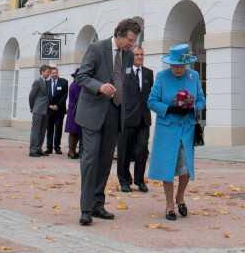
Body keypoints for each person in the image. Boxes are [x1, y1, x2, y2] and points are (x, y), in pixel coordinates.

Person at [75, 17, 140, 227]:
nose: (132, 44)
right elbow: (81, 76)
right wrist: (100, 86)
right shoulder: (96, 48)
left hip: (115, 114)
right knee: (90, 160)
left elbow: (126, 82)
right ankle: (85, 209)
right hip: (93, 113)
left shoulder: (128, 56)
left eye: (134, 40)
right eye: (130, 40)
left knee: (104, 162)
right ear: (119, 35)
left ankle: (97, 204)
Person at [148, 43, 205, 221]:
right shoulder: (162, 77)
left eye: (180, 66)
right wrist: (169, 109)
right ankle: (169, 205)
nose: (177, 69)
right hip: (168, 129)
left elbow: (202, 100)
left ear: (186, 64)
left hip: (187, 129)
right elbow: (151, 101)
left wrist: (193, 108)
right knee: (168, 167)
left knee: (186, 167)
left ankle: (180, 196)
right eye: (174, 65)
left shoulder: (193, 76)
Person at [118, 46, 153, 193]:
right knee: (124, 151)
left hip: (144, 118)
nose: (139, 57)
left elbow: (151, 93)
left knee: (142, 150)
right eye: (137, 54)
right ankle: (124, 180)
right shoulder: (123, 72)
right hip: (127, 118)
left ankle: (140, 180)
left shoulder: (148, 73)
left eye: (141, 54)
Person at [28, 65, 52, 157]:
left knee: (42, 131)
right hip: (38, 110)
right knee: (36, 131)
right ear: (42, 72)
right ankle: (33, 150)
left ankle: (38, 149)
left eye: (49, 72)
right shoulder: (37, 82)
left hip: (45, 111)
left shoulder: (46, 82)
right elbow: (31, 96)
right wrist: (32, 108)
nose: (48, 74)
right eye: (47, 72)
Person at [46, 66, 68, 155]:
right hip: (49, 110)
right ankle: (49, 148)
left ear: (58, 73)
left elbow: (65, 95)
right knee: (49, 129)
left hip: (59, 110)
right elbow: (44, 96)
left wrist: (57, 105)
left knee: (58, 129)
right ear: (50, 74)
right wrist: (49, 105)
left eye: (56, 73)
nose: (54, 74)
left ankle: (57, 147)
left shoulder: (64, 82)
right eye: (53, 73)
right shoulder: (46, 83)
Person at [65, 68, 83, 159]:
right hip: (74, 111)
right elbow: (80, 97)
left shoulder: (76, 84)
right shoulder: (75, 85)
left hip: (75, 111)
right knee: (73, 132)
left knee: (76, 132)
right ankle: (71, 151)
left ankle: (72, 151)